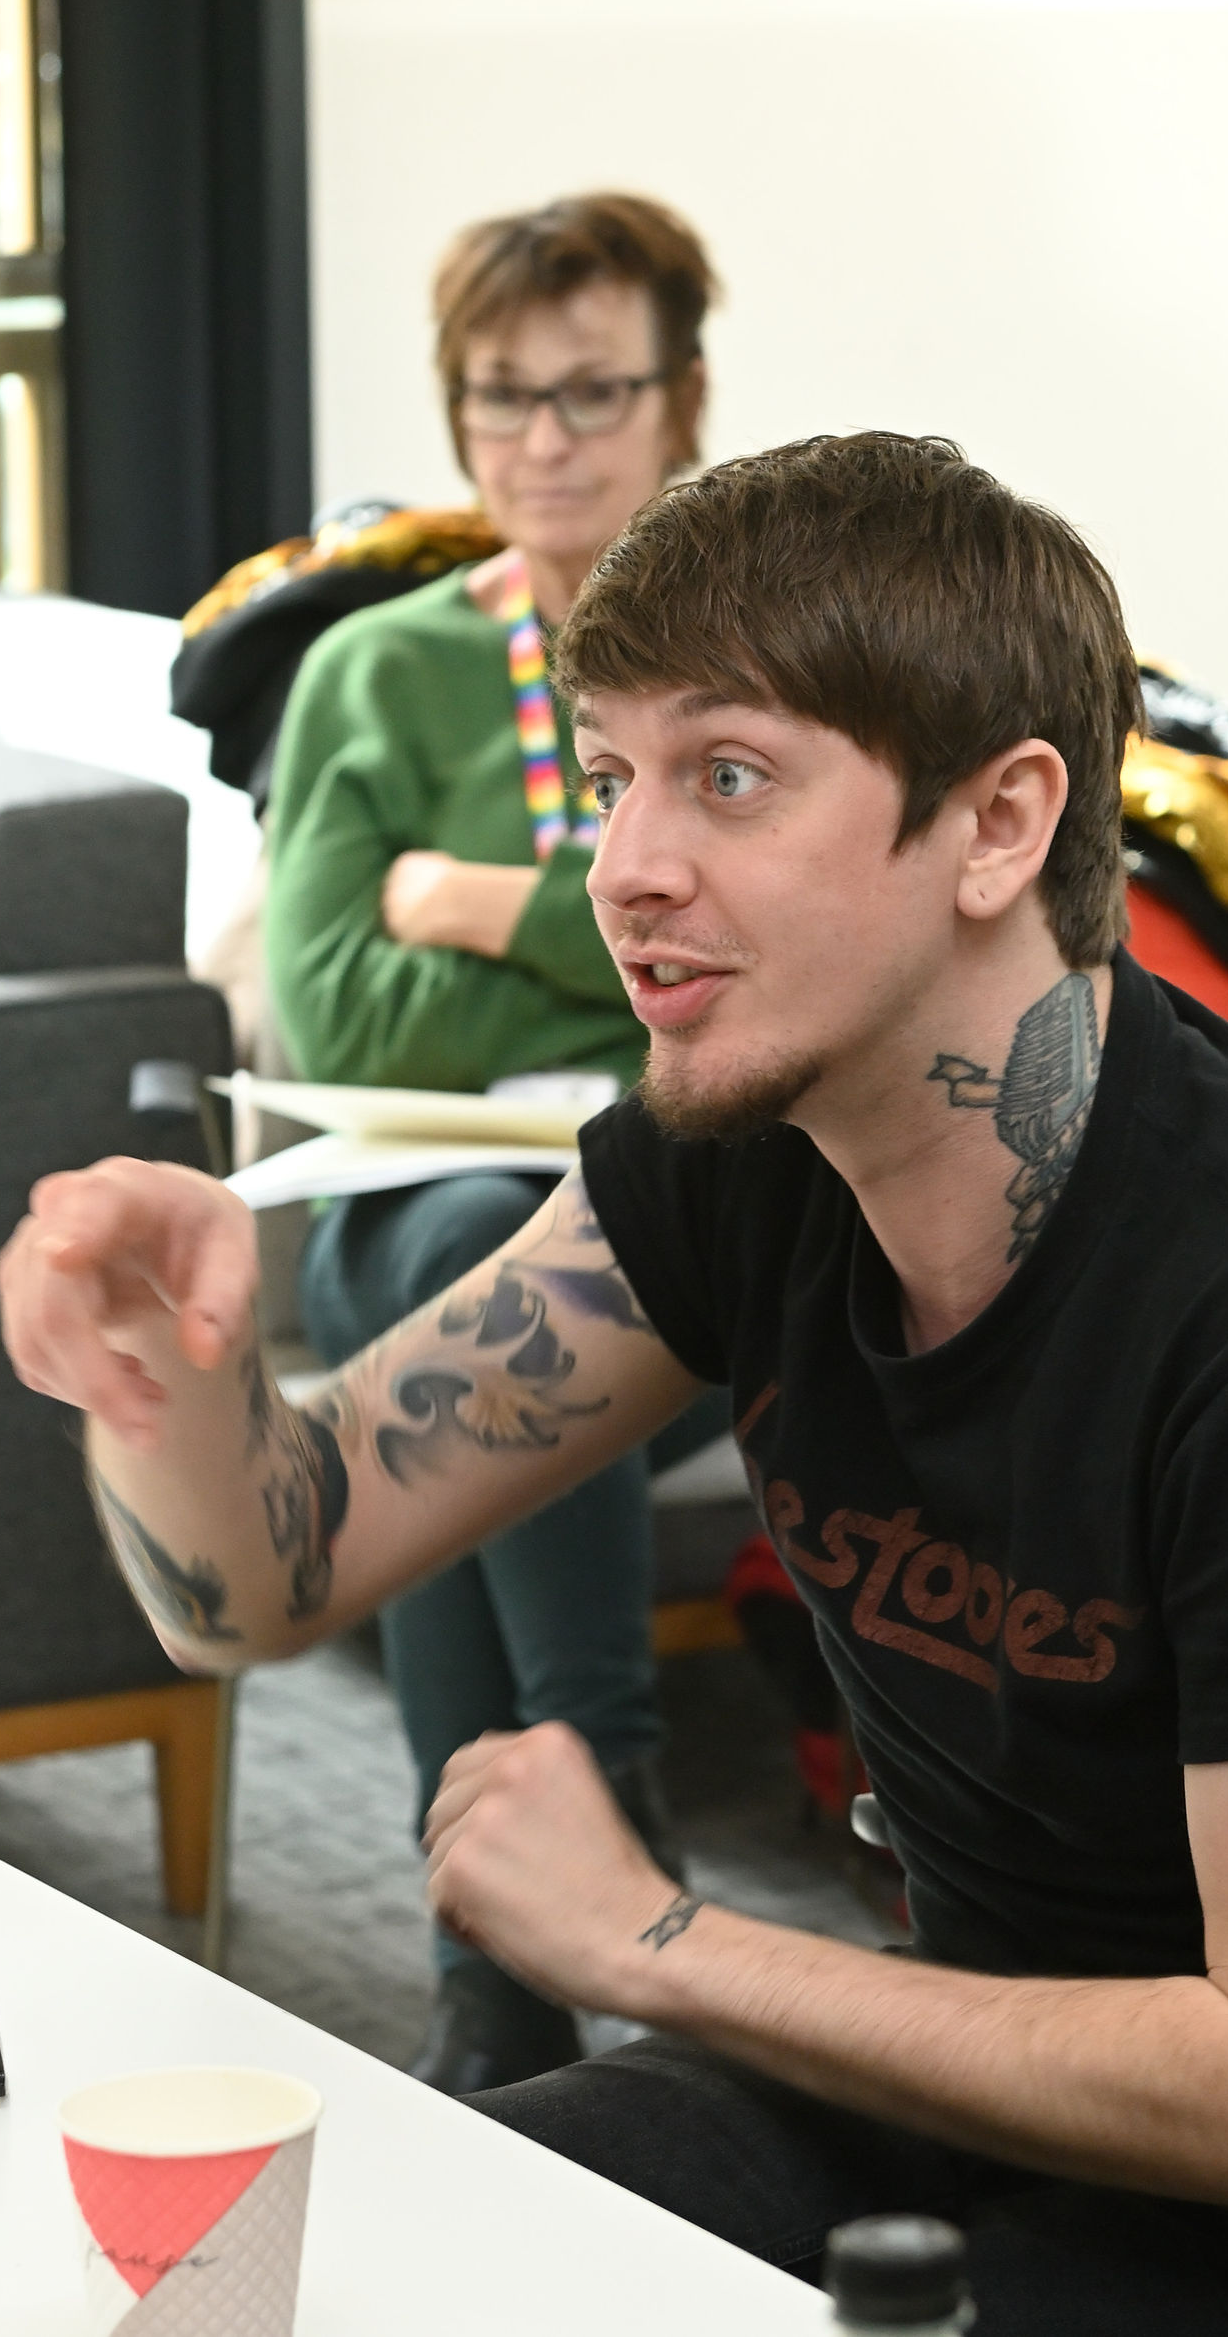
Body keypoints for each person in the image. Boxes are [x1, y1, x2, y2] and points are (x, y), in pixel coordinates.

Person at [1, 434, 1228, 2333]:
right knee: (423, 2251)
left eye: (725, 779)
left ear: (998, 825)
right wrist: (164, 1373)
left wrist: (658, 1941)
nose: (623, 869)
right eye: (611, 779)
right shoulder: (749, 1150)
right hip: (993, 2103)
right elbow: (262, 1575)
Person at [255, 192, 721, 2091]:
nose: (546, 438)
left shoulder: (755, 659)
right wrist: (599, 944)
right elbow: (342, 1019)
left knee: (483, 1304)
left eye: (593, 390)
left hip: (685, 1216)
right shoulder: (369, 675)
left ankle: (492, 1960)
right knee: (463, 1250)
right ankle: (608, 1807)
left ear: (682, 402)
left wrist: (475, 902)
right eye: (502, 395)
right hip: (397, 1199)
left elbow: (760, 973)